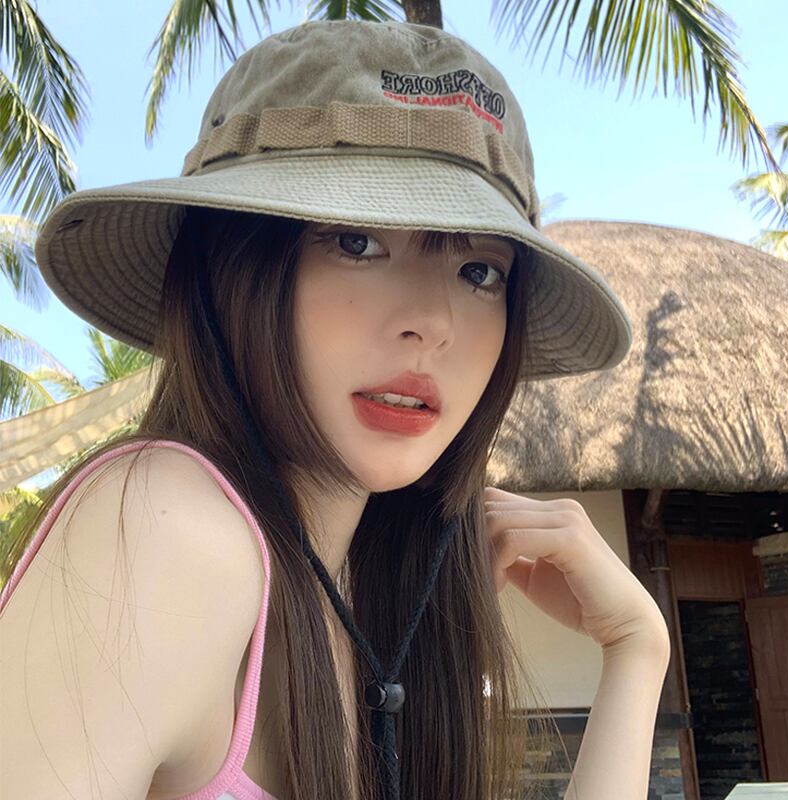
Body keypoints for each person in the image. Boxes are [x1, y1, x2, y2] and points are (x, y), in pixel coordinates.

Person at [0, 18, 670, 800]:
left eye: (479, 271)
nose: (434, 322)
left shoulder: (375, 612)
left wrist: (636, 650)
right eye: (356, 242)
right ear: (233, 267)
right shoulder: (165, 527)